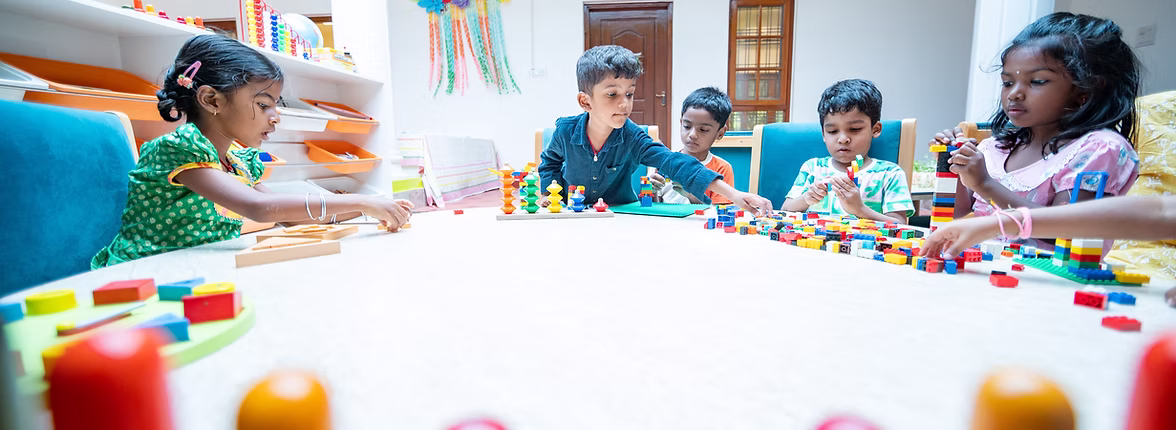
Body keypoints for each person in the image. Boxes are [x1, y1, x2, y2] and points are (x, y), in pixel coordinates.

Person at [92, 35, 412, 268]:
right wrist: (362, 199)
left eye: (276, 105)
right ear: (212, 100)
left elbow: (291, 219)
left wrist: (374, 208)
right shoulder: (177, 150)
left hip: (192, 272)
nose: (275, 116)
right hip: (140, 274)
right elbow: (260, 207)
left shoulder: (237, 163)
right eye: (263, 104)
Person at [934, 13, 1141, 235]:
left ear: (1085, 90)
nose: (1014, 94)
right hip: (985, 267)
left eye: (1037, 81)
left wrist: (984, 184)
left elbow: (1065, 231)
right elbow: (957, 210)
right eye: (1007, 82)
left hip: (1050, 270)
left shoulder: (1098, 150)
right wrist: (952, 165)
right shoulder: (996, 149)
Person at [537, 45, 772, 214]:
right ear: (585, 101)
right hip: (571, 216)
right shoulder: (566, 131)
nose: (625, 103)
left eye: (629, 93)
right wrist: (549, 194)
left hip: (621, 216)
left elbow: (675, 162)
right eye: (612, 94)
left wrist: (734, 195)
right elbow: (549, 163)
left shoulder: (633, 137)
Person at [779, 79, 914, 224]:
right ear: (824, 134)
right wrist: (806, 198)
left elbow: (900, 225)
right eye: (832, 131)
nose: (843, 139)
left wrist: (859, 209)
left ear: (875, 129)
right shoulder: (813, 168)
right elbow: (785, 210)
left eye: (854, 129)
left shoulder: (889, 173)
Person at [651, 87, 736, 205]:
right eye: (687, 126)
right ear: (681, 123)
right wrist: (653, 191)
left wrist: (692, 196)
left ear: (720, 133)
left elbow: (717, 214)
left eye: (703, 130)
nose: (692, 135)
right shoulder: (666, 161)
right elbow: (654, 206)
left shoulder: (722, 168)